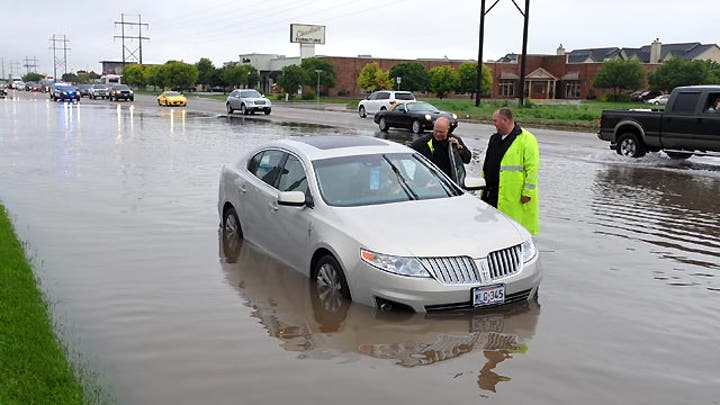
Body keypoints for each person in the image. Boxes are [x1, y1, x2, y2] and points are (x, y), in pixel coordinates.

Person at [481, 108, 540, 235]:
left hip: (513, 195)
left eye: (495, 121)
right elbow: (487, 164)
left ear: (505, 120)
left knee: (512, 230)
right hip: (491, 193)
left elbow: (532, 168)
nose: (494, 124)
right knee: (490, 230)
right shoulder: (494, 139)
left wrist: (527, 192)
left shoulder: (526, 139)